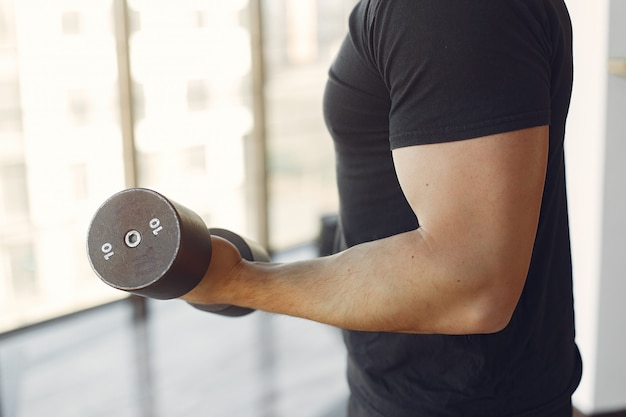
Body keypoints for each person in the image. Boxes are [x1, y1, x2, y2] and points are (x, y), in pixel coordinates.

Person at [183, 0, 582, 416]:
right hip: (425, 389)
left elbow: (471, 282)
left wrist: (237, 281)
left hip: (454, 402)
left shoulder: (446, 11)